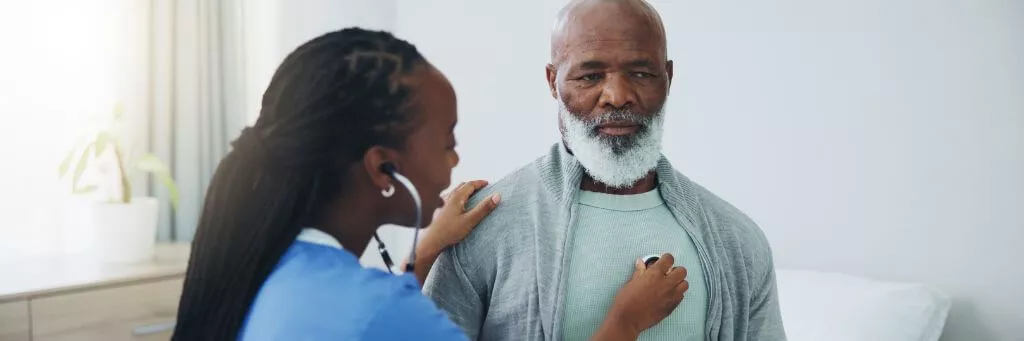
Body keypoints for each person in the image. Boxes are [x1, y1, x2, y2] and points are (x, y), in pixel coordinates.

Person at [171, 27, 691, 341]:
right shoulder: (381, 313)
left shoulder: (267, 266)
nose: (456, 158)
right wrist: (624, 321)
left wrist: (424, 255)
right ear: (383, 170)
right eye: (447, 140)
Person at [422, 1, 788, 340]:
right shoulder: (484, 228)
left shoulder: (736, 241)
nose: (617, 95)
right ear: (553, 82)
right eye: (590, 76)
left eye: (642, 73)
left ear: (668, 77)